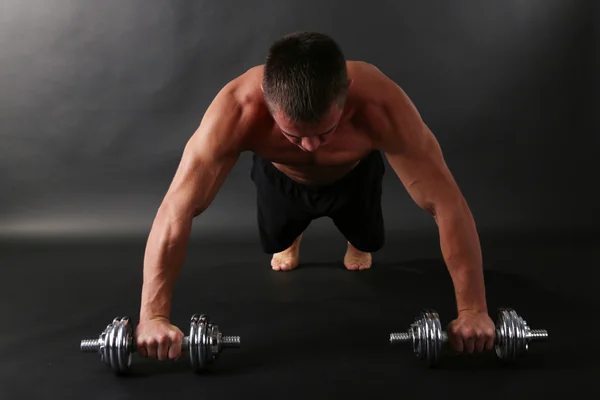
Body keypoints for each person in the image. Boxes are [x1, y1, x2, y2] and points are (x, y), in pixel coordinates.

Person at [135, 31, 496, 362]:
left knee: (369, 239)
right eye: (293, 136)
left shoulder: (381, 104)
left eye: (326, 132)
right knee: (274, 239)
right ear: (266, 98)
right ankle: (292, 236)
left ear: (347, 91)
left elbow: (446, 203)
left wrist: (473, 311)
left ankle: (355, 241)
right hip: (281, 178)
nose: (309, 146)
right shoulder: (237, 109)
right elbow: (177, 207)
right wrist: (152, 317)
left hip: (355, 177)